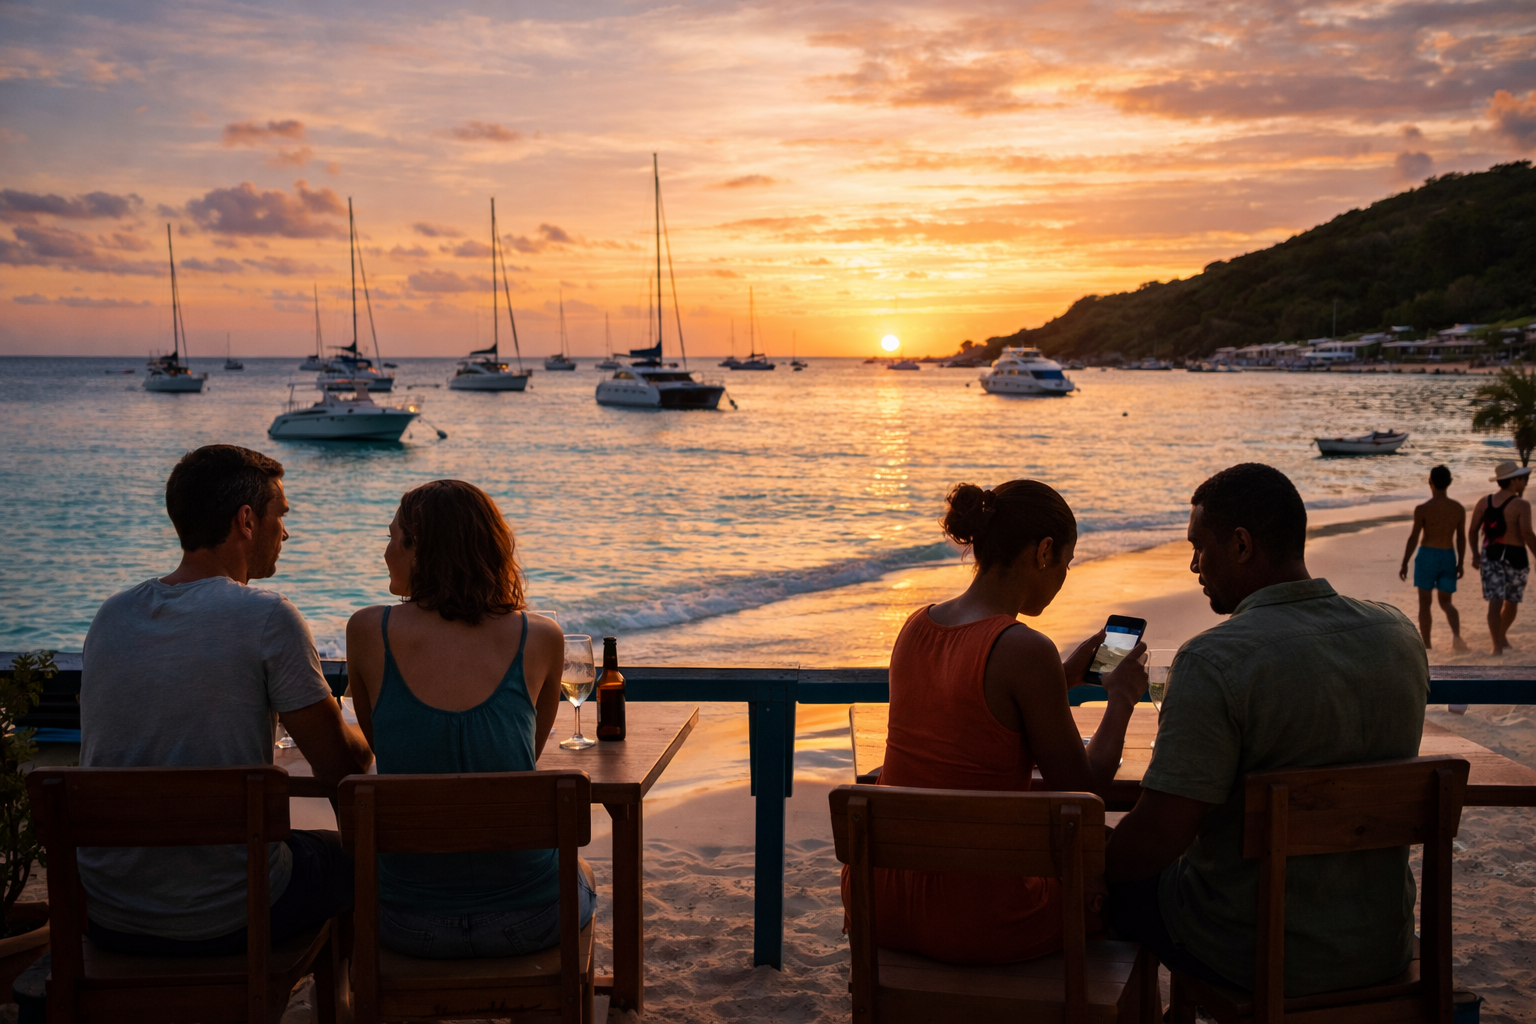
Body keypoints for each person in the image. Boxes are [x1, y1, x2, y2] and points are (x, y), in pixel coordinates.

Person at [1105, 463, 1428, 998]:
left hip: (1252, 951)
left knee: (1113, 888)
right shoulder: (1398, 635)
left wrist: (1089, 861)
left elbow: (1160, 838)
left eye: (1198, 548)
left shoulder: (1215, 659)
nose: (1192, 565)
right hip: (1381, 944)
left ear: (1240, 545)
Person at [80, 444, 374, 955]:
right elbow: (339, 766)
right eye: (279, 516)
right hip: (231, 913)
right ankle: (343, 1006)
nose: (285, 532)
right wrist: (369, 724)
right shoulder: (267, 616)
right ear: (246, 521)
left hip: (107, 911)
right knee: (353, 859)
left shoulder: (111, 616)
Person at [843, 480, 1148, 965]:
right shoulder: (1025, 649)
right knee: (1128, 883)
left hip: (882, 897)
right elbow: (1087, 788)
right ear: (1044, 552)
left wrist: (1062, 678)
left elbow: (971, 709)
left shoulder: (915, 625)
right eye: (1066, 564)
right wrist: (1123, 700)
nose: (1063, 577)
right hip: (977, 916)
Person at [345, 479, 585, 958]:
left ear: (420, 549)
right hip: (531, 919)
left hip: (406, 921)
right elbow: (523, 757)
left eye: (392, 538)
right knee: (583, 875)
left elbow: (384, 745)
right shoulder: (542, 636)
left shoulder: (368, 630)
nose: (385, 552)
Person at [1398, 464, 1468, 651]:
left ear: (1430, 481)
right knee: (1446, 602)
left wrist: (1405, 562)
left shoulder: (1423, 509)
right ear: (1450, 483)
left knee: (1424, 603)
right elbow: (1461, 538)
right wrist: (1460, 562)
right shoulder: (1458, 509)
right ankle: (1457, 638)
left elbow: (1414, 538)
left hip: (1427, 555)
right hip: (1447, 556)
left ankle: (1427, 645)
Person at [1469, 462, 1536, 656]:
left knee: (1495, 601)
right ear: (1514, 480)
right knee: (1511, 601)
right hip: (1515, 557)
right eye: (1523, 478)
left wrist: (1475, 554)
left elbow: (1472, 530)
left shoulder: (1484, 501)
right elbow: (1527, 534)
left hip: (1491, 556)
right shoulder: (1521, 505)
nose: (1525, 482)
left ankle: (1497, 643)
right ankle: (1499, 640)